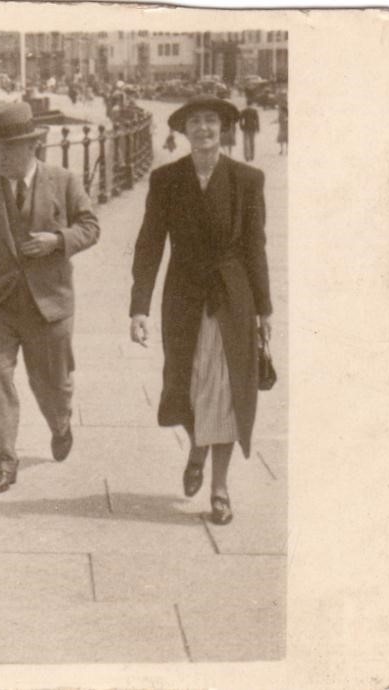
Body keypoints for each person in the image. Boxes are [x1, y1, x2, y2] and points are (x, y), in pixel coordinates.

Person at [129, 95, 273, 526]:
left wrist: (265, 309)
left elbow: (255, 247)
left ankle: (219, 487)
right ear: (184, 130)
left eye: (212, 121)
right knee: (187, 385)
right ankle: (196, 448)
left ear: (225, 128)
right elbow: (150, 243)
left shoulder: (248, 179)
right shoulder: (167, 179)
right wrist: (139, 307)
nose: (204, 129)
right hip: (184, 296)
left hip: (233, 297)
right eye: (196, 122)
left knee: (228, 391)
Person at [0, 102, 100, 494]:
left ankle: (60, 421)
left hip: (49, 303)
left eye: (8, 149)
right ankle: (2, 461)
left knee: (52, 382)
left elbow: (90, 226)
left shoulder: (64, 181)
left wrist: (57, 240)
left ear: (32, 147)